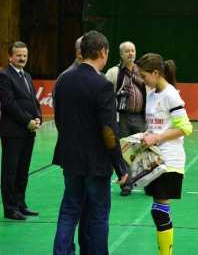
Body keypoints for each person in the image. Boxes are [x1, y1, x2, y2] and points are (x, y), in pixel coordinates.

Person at [52, 30, 128, 255]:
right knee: (98, 217)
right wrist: (120, 166)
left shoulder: (63, 79)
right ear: (103, 52)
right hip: (95, 162)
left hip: (70, 159)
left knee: (69, 212)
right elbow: (108, 131)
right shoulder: (102, 84)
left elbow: (59, 120)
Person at [136, 53, 193, 255]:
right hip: (155, 160)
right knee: (158, 211)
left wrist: (156, 139)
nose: (143, 80)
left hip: (169, 161)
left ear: (156, 72)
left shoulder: (171, 95)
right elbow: (157, 126)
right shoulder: (151, 95)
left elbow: (185, 128)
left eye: (144, 76)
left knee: (158, 212)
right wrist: (146, 135)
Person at [0, 41, 42, 220]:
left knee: (23, 171)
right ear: (10, 57)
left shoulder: (27, 76)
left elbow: (34, 101)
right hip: (13, 132)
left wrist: (38, 116)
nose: (22, 58)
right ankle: (10, 208)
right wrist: (28, 121)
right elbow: (9, 104)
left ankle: (20, 204)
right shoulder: (5, 76)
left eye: (24, 55)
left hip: (28, 132)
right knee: (10, 171)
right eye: (18, 55)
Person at [105, 41, 147, 196]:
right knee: (123, 151)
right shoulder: (113, 72)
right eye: (127, 51)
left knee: (144, 150)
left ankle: (147, 183)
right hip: (121, 118)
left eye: (133, 50)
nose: (131, 53)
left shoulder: (142, 71)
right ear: (121, 54)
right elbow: (105, 95)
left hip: (139, 117)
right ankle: (127, 185)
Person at [52, 36, 83, 108]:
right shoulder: (64, 78)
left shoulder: (100, 76)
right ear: (79, 53)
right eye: (91, 51)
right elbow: (58, 108)